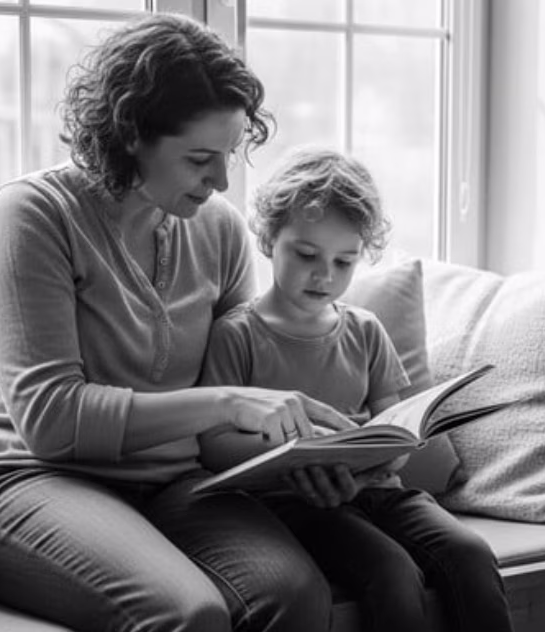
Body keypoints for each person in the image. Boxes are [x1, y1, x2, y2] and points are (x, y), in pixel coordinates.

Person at [0, 14, 358, 632]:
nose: (222, 180)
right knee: (188, 613)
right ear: (130, 135)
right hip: (27, 480)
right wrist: (225, 402)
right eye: (200, 159)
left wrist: (304, 456)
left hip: (172, 481)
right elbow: (52, 420)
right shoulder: (32, 217)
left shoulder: (217, 229)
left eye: (228, 155)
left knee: (294, 594)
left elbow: (243, 390)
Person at [198, 147, 514, 632]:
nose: (324, 275)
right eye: (306, 255)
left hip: (379, 492)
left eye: (344, 261)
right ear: (268, 239)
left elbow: (396, 436)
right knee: (392, 571)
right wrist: (295, 453)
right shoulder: (237, 334)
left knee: (470, 552)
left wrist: (377, 459)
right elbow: (213, 447)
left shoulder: (365, 330)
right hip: (295, 506)